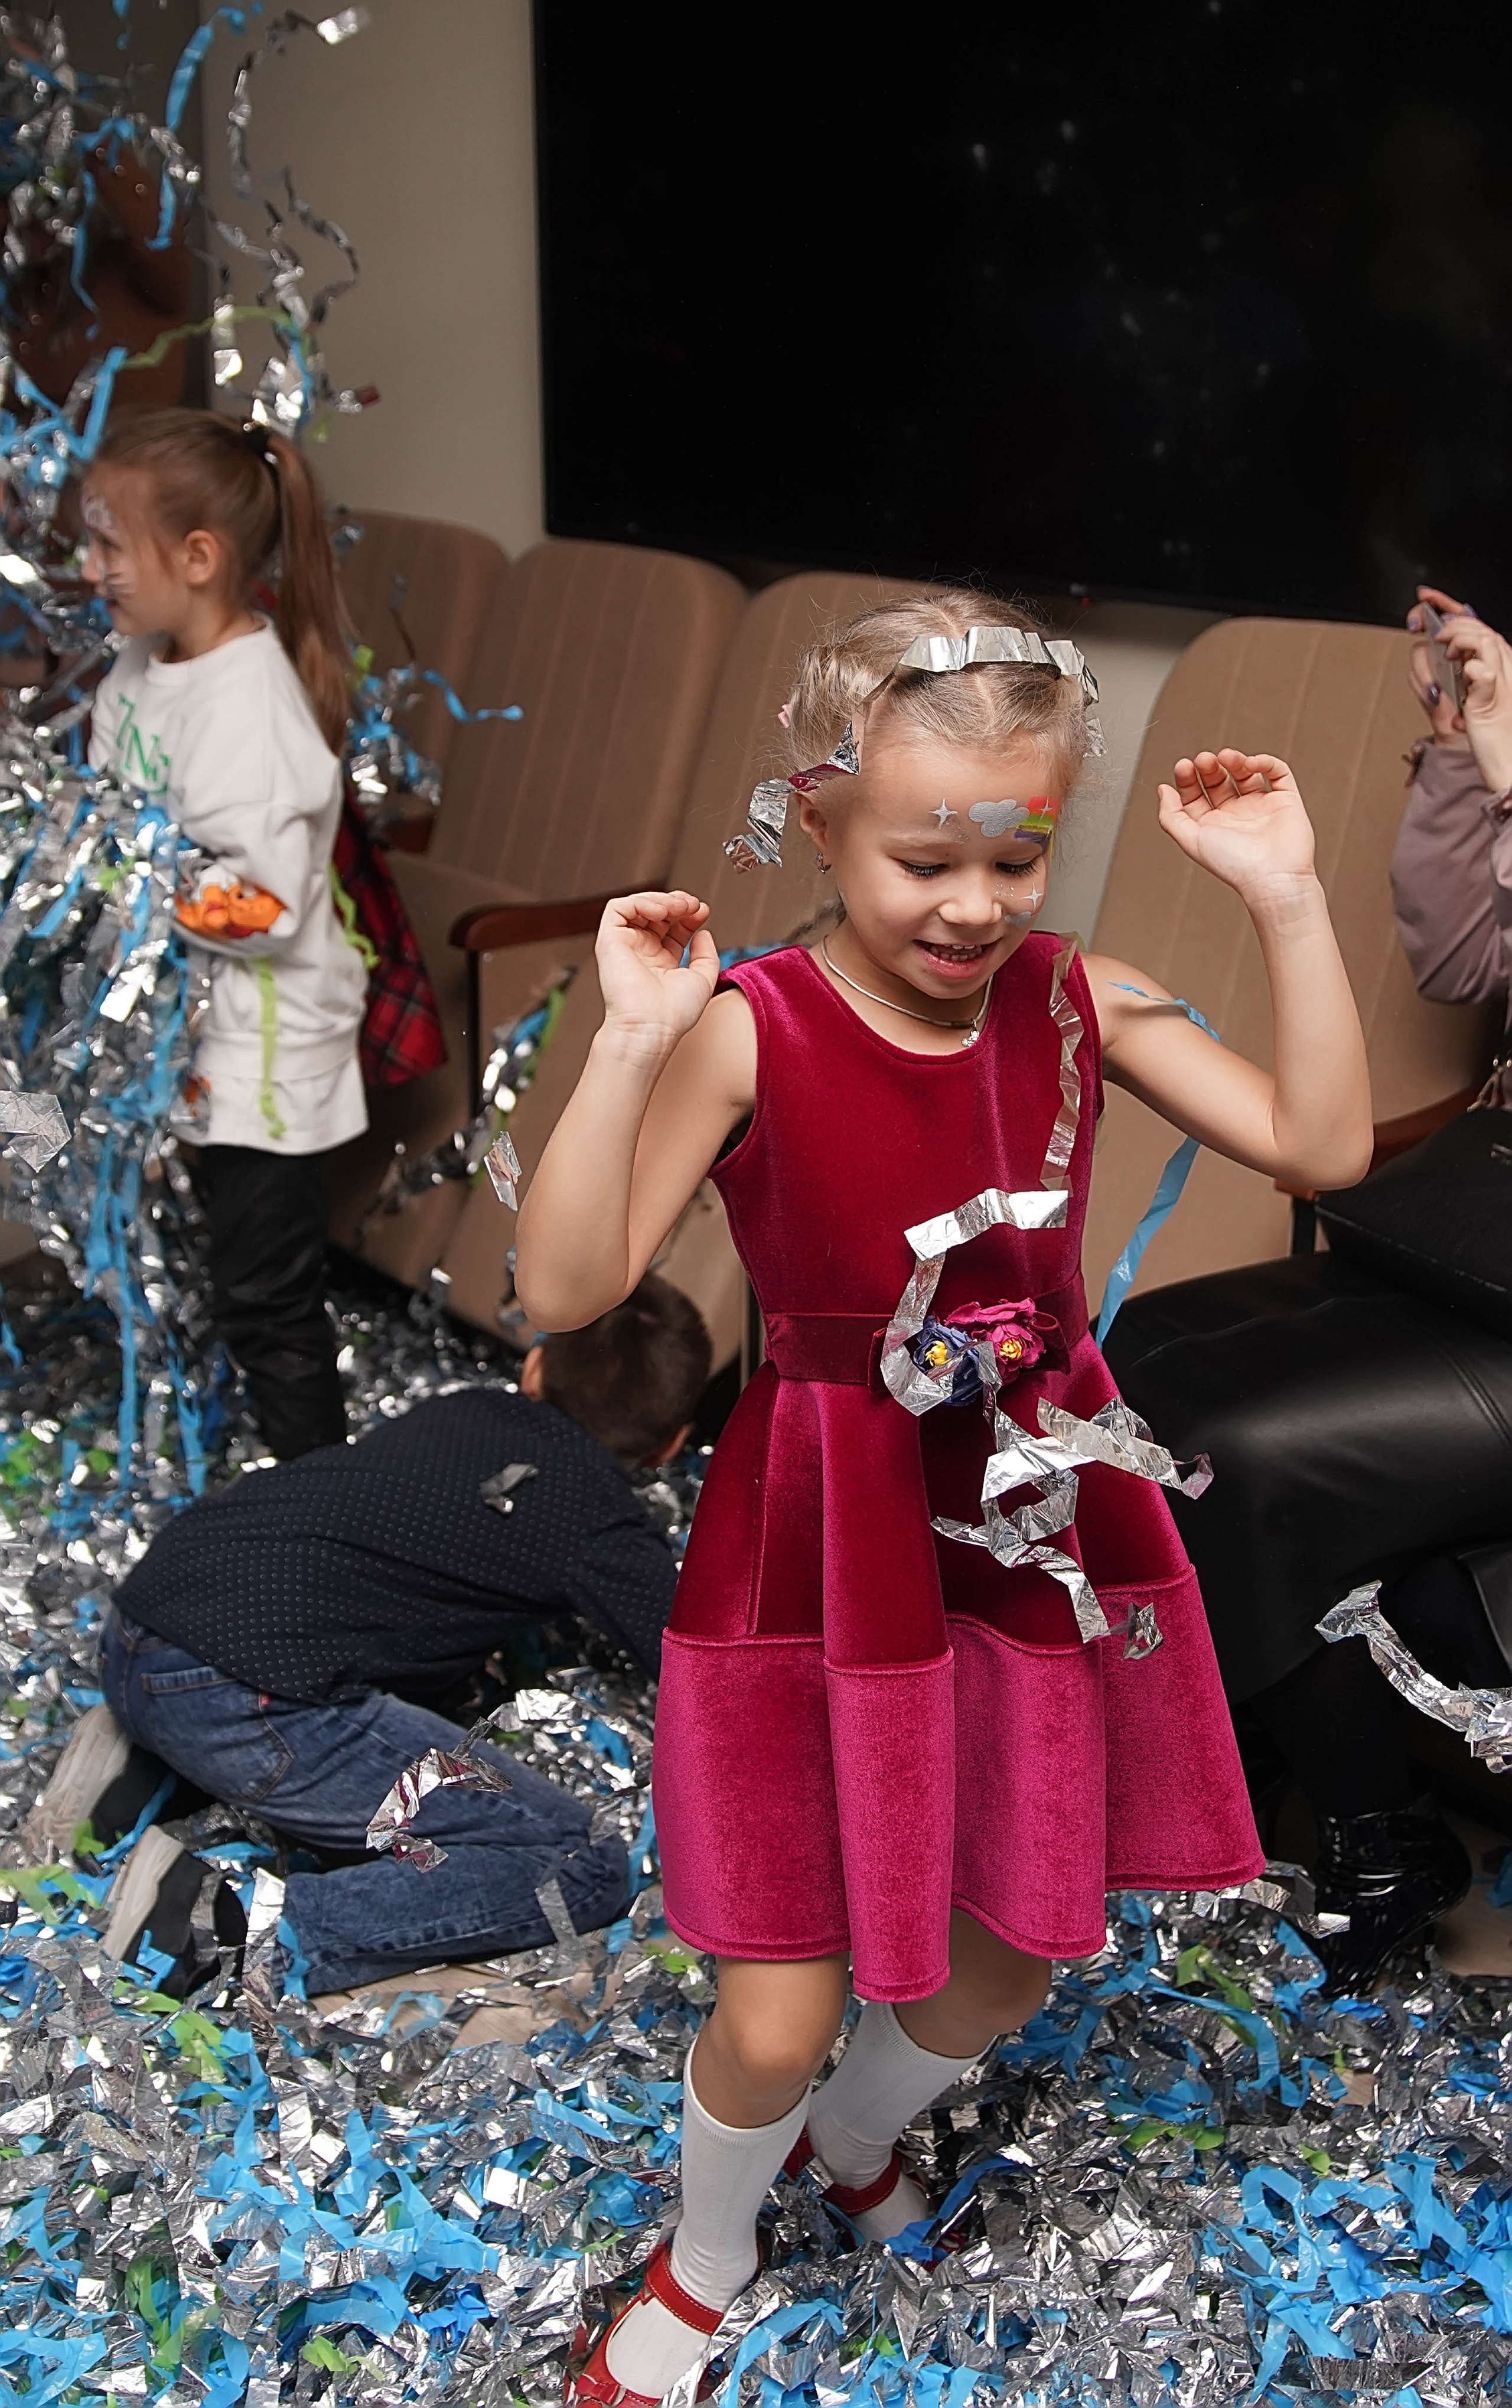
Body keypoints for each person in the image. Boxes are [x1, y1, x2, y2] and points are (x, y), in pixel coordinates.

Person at [513, 590, 1373, 2407]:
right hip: (820, 1539)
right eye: (922, 857)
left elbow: (1323, 1148)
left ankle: (856, 2140)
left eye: (1018, 852)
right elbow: (567, 1288)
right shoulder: (758, 1028)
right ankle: (708, 2251)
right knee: (779, 2004)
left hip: (1027, 1535)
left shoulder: (1074, 1005)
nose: (975, 904)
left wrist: (1287, 896)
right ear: (818, 823)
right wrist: (625, 1037)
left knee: (1007, 1958)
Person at [1102, 581, 1512, 1994]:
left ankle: (1373, 1837)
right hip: (1474, 1238)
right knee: (1138, 1360)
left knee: (1244, 1452)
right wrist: (1464, 752)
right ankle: (1272, 1773)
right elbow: (1462, 963)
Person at [30, 1275, 711, 2001]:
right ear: (672, 1445)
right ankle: (216, 1928)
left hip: (141, 1623)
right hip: (241, 1702)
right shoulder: (599, 1522)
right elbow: (694, 1660)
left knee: (434, 1673)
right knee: (583, 1861)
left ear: (534, 1368)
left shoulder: (466, 1411)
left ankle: (142, 1783)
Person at [81, 406, 367, 1461]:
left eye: (112, 542)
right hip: (189, 1032)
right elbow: (105, 819)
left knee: (268, 1302)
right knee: (213, 1268)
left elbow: (266, 907)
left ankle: (315, 1511)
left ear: (198, 558)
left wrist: (130, 888)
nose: (91, 564)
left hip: (266, 1044)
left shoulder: (250, 707)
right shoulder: (139, 666)